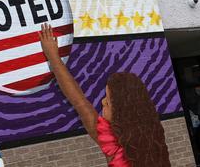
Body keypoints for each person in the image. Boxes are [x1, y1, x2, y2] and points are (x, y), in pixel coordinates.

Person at [39, 24, 170, 167]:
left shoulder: (114, 148)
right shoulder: (153, 144)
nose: (102, 102)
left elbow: (80, 102)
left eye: (107, 101)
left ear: (121, 113)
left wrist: (53, 57)